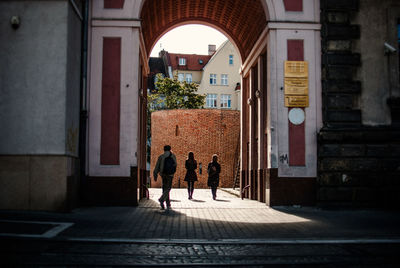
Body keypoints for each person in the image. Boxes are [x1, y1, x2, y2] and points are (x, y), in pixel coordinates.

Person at [153, 145, 177, 210]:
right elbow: (175, 165)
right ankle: (163, 200)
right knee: (168, 188)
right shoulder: (173, 156)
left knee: (164, 188)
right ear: (170, 149)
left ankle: (166, 203)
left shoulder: (161, 157)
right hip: (170, 175)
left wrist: (155, 175)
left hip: (163, 174)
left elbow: (157, 166)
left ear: (164, 149)